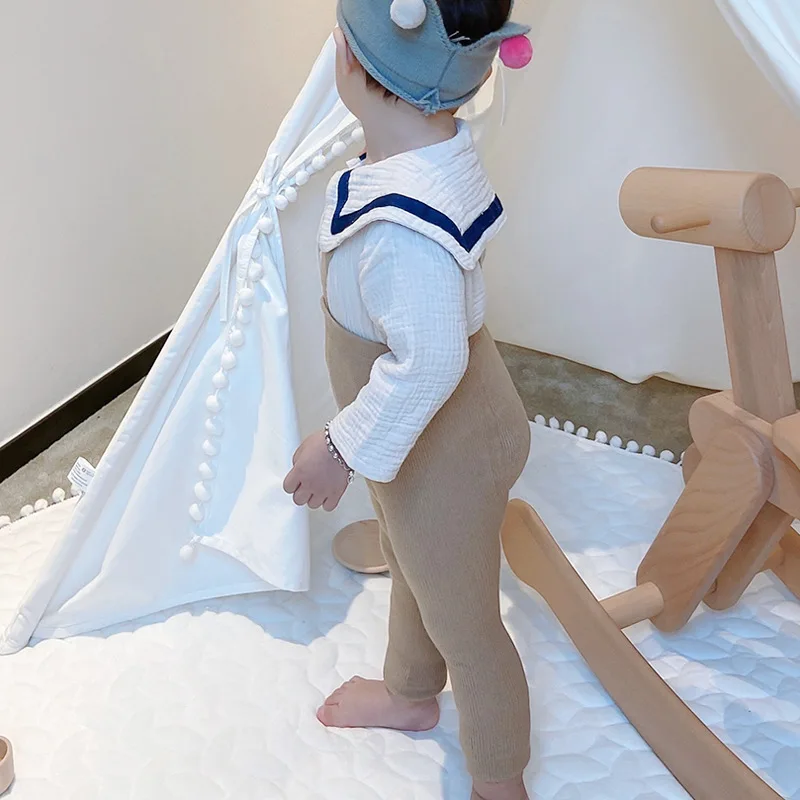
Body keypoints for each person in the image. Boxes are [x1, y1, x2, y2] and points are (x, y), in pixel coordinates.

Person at [283, 1, 533, 797]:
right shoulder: (417, 158)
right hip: (434, 440)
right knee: (413, 558)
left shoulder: (404, 233)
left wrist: (337, 446)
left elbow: (428, 366)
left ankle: (500, 778)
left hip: (449, 450)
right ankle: (410, 692)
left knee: (467, 623)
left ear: (354, 68)